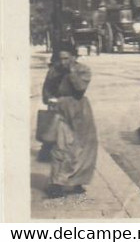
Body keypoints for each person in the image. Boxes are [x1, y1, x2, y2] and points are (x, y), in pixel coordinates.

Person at [44, 44, 97, 198]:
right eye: (60, 58)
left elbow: (80, 88)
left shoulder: (83, 70)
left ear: (74, 57)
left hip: (80, 110)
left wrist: (71, 72)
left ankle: (77, 181)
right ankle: (57, 183)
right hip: (60, 110)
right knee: (61, 147)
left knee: (83, 147)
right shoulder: (54, 71)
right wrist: (51, 100)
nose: (63, 62)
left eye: (66, 58)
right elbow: (46, 91)